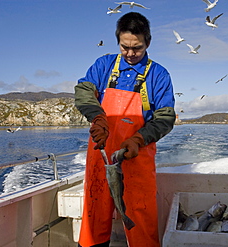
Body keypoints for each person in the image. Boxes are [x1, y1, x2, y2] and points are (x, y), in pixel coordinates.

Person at [74, 12, 176, 247]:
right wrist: (98, 117)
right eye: (124, 47)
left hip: (136, 157)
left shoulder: (159, 75)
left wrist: (139, 139)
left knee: (141, 219)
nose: (130, 54)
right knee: (94, 218)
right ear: (118, 41)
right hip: (101, 154)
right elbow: (83, 91)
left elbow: (165, 117)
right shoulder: (104, 65)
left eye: (137, 48)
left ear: (147, 43)